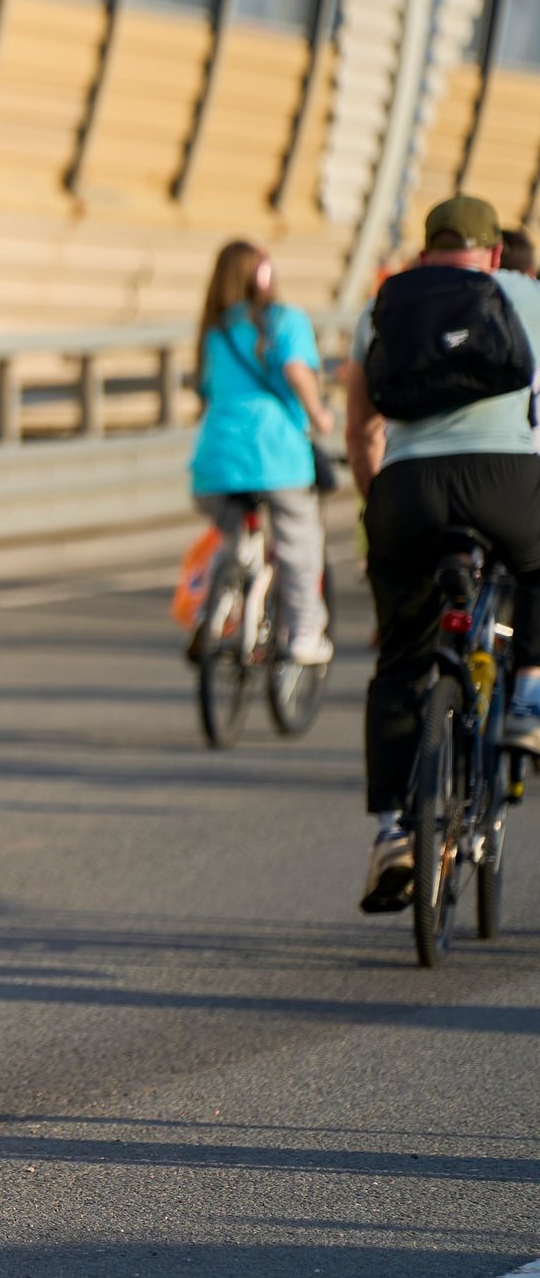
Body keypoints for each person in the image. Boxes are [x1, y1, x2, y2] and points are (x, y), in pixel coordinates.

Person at [345, 196, 540, 914]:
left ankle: (394, 830)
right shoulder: (527, 295)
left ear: (426, 253)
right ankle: (529, 696)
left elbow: (363, 427)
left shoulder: (384, 305)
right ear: (494, 254)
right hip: (506, 485)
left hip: (409, 492)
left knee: (401, 660)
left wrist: (380, 507)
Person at [188, 240, 336, 666]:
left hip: (215, 461)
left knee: (232, 539)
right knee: (297, 540)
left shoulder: (213, 331)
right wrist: (319, 414)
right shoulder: (285, 320)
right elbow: (294, 369)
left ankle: (213, 612)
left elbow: (207, 390)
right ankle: (306, 631)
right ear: (264, 276)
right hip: (275, 456)